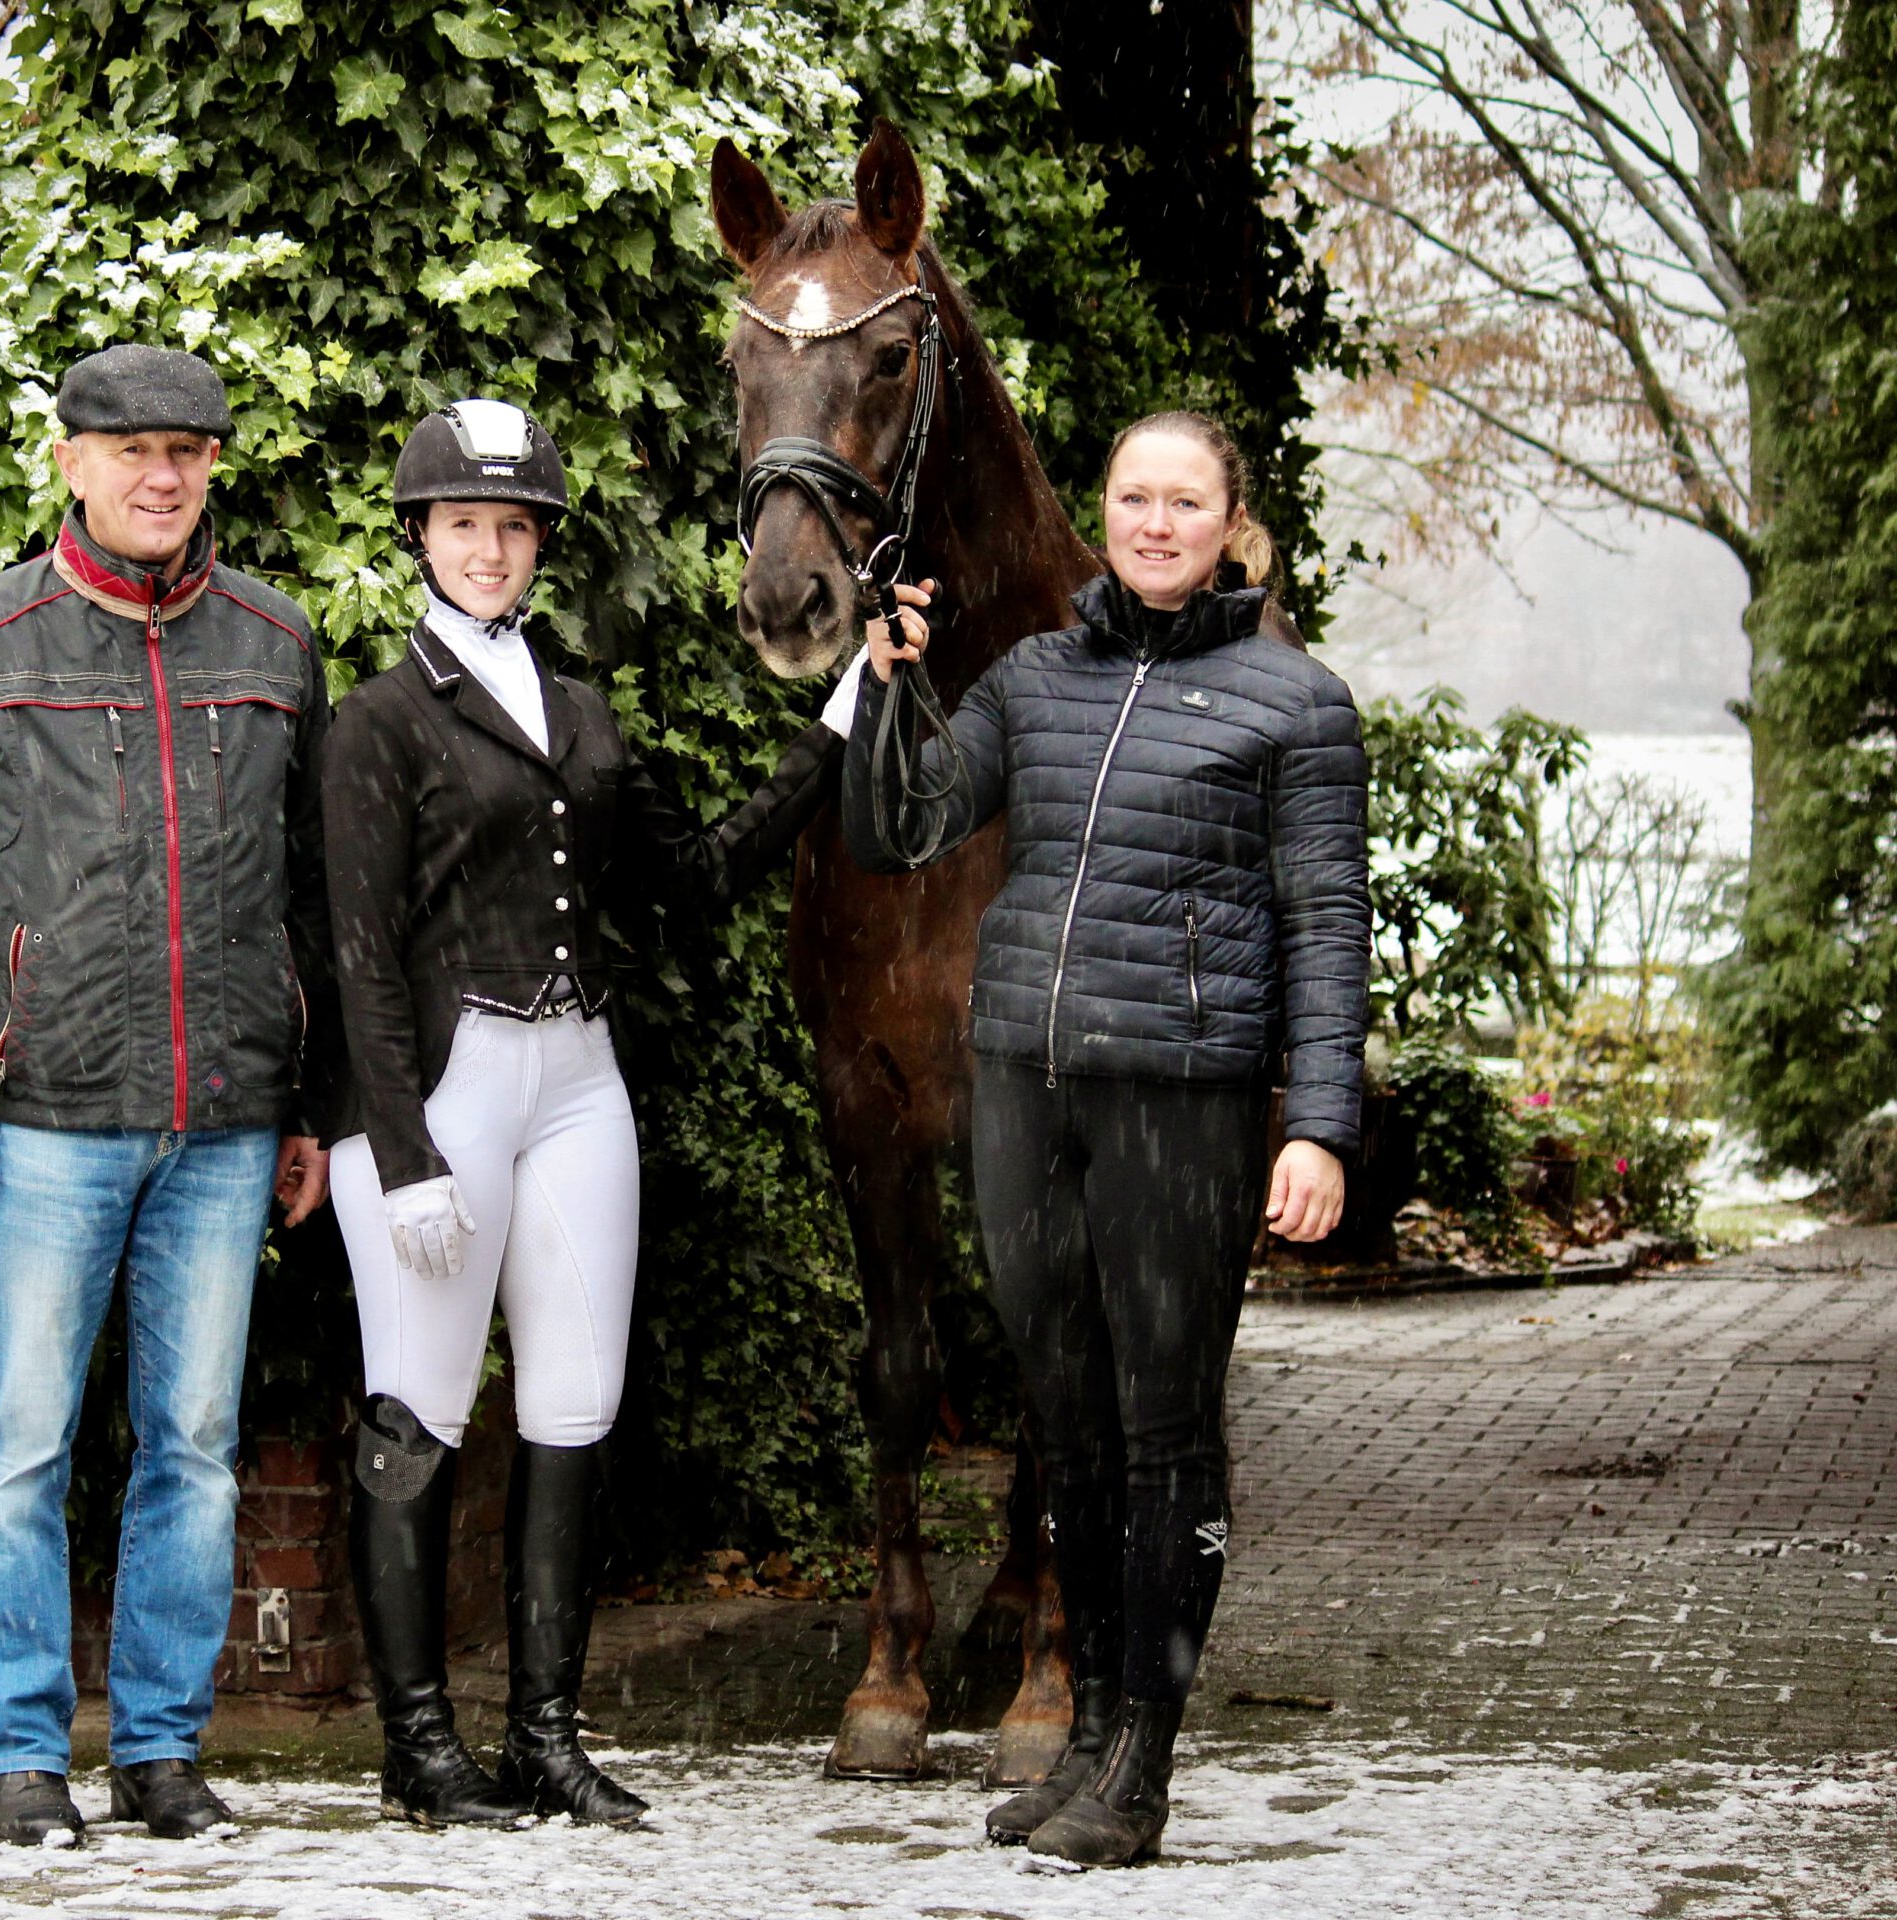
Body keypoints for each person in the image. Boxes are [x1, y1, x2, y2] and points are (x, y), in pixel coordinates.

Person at [321, 398, 924, 1829]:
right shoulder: (377, 720)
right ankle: (419, 1750)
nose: (489, 548)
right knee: (415, 1411)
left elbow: (702, 873)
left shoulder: (580, 710)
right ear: (421, 536)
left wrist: (846, 711)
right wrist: (400, 1155)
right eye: (464, 524)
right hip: (442, 1094)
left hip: (579, 1078)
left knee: (575, 1407)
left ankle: (546, 1735)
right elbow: (350, 953)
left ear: (538, 546)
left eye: (512, 526)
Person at [843, 409, 1370, 1869]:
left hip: (1183, 1100)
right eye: (1133, 498)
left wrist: (1317, 1125)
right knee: (1062, 1426)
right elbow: (908, 826)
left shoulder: (1295, 703)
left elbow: (1329, 929)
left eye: (1183, 502)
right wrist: (889, 686)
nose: (1154, 524)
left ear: (1227, 524)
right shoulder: (1035, 678)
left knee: (1163, 1436)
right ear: (1105, 511)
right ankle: (1083, 1739)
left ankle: (1145, 1756)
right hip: (1027, 1086)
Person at [0, 346, 339, 1847]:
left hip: (226, 1128)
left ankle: (158, 1752)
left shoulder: (275, 642)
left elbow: (316, 900)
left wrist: (310, 1104)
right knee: (22, 1439)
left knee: (193, 1445)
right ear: (69, 460)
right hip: (44, 1119)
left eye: (190, 453)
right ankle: (20, 1754)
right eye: (133, 449)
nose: (163, 476)